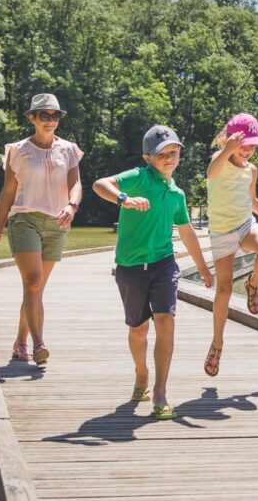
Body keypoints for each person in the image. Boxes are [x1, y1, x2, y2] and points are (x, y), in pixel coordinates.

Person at [93, 124, 213, 420]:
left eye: (174, 152)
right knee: (138, 328)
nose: (170, 158)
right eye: (163, 154)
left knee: (166, 321)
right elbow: (100, 184)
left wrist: (203, 268)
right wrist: (125, 199)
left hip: (163, 264)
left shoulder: (177, 194)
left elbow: (186, 232)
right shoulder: (138, 177)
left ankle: (160, 393)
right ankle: (141, 373)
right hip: (131, 266)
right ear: (148, 158)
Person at [0, 93, 83, 365]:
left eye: (55, 115)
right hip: (24, 220)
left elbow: (76, 185)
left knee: (35, 290)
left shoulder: (68, 150)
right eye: (44, 115)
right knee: (33, 282)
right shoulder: (17, 151)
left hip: (57, 223)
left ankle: (20, 342)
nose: (51, 120)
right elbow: (7, 192)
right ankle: (39, 344)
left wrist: (72, 206)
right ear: (32, 118)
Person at [203, 112, 258, 377]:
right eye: (244, 144)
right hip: (222, 232)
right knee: (223, 291)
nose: (248, 151)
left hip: (244, 225)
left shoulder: (252, 170)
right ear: (232, 140)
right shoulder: (220, 160)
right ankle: (217, 343)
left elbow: (251, 199)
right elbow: (211, 173)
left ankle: (252, 284)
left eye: (252, 147)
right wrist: (227, 150)